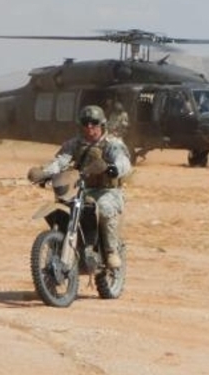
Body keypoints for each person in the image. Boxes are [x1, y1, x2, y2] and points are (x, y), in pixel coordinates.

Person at [27, 104, 132, 269]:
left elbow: (123, 161)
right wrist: (45, 173)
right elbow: (61, 161)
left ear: (102, 124)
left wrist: (115, 168)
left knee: (104, 208)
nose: (89, 126)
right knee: (62, 206)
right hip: (80, 188)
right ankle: (59, 247)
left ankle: (111, 251)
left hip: (107, 191)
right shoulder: (74, 144)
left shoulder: (112, 144)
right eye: (85, 123)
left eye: (94, 122)